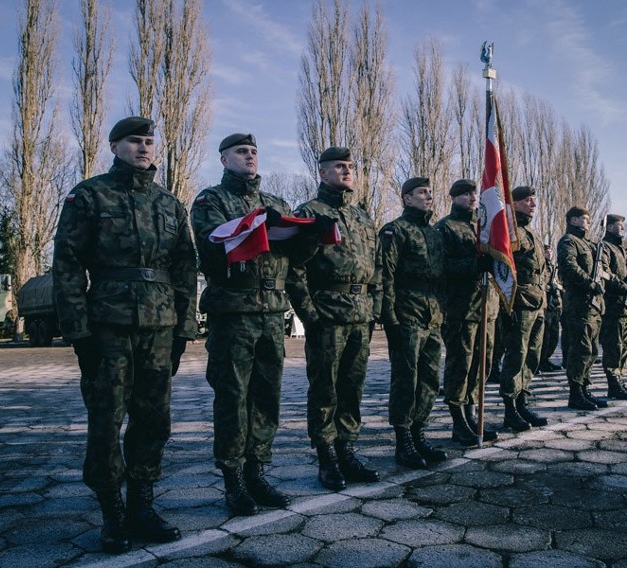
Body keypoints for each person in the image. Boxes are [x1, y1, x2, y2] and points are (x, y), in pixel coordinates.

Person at [53, 116, 197, 553]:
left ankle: (142, 505)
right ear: (115, 146)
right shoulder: (89, 195)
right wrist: (79, 332)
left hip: (159, 328)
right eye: (134, 141)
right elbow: (68, 265)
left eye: (149, 141)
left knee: (154, 421)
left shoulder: (170, 204)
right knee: (106, 419)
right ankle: (112, 513)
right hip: (108, 326)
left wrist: (182, 330)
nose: (144, 148)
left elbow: (185, 268)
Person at [190, 133, 317, 516]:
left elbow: (295, 261)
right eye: (242, 152)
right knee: (233, 397)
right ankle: (233, 480)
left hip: (271, 312)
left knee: (266, 396)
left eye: (254, 152)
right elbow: (215, 244)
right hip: (233, 311)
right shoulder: (210, 200)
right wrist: (256, 223)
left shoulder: (276, 203)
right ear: (224, 159)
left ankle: (257, 471)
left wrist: (311, 234)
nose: (250, 156)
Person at [286, 146, 382, 490]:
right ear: (322, 173)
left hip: (360, 314)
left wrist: (375, 308)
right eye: (339, 167)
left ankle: (347, 449)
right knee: (325, 387)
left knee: (353, 387)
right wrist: (310, 315)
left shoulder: (361, 217)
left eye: (350, 166)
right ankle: (326, 457)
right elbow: (293, 269)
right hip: (327, 312)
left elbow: (377, 268)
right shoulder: (308, 213)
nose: (347, 171)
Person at [380, 177, 448, 469]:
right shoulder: (396, 231)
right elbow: (385, 277)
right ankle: (403, 440)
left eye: (430, 193)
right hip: (407, 314)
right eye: (422, 193)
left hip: (432, 316)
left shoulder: (433, 234)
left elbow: (445, 274)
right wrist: (390, 320)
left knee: (430, 379)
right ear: (407, 198)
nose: (428, 197)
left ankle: (419, 431)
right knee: (406, 380)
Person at [435, 178, 499, 446]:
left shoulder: (484, 228)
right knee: (460, 365)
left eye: (474, 193)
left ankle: (472, 413)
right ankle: (458, 420)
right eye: (465, 194)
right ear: (453, 197)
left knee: (481, 364)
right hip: (460, 309)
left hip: (486, 307)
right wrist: (474, 264)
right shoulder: (445, 228)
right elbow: (443, 267)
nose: (472, 197)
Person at [496, 186, 549, 430]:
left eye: (534, 201)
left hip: (537, 301)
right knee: (516, 355)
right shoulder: (511, 230)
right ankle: (510, 408)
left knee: (533, 355)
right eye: (527, 201)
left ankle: (522, 401)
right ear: (514, 204)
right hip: (519, 302)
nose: (533, 204)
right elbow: (504, 267)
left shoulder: (532, 232)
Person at [556, 206, 607, 411]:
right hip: (579, 304)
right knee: (580, 349)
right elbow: (569, 267)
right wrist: (589, 283)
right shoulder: (569, 241)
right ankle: (575, 393)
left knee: (591, 350)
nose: (588, 222)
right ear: (574, 220)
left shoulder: (590, 244)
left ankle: (585, 388)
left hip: (593, 306)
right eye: (585, 219)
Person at [598, 214, 627, 400]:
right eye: (619, 225)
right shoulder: (605, 247)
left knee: (625, 346)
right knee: (614, 346)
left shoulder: (623, 250)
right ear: (609, 227)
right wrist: (624, 287)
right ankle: (613, 382)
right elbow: (605, 273)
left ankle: (620, 379)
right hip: (614, 305)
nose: (622, 228)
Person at [538, 242, 563, 374]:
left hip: (555, 305)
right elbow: (540, 283)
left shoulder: (553, 267)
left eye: (551, 252)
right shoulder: (542, 267)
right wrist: (550, 288)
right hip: (546, 304)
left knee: (553, 336)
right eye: (547, 252)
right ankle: (540, 361)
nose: (549, 254)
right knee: (545, 336)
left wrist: (558, 288)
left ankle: (546, 359)